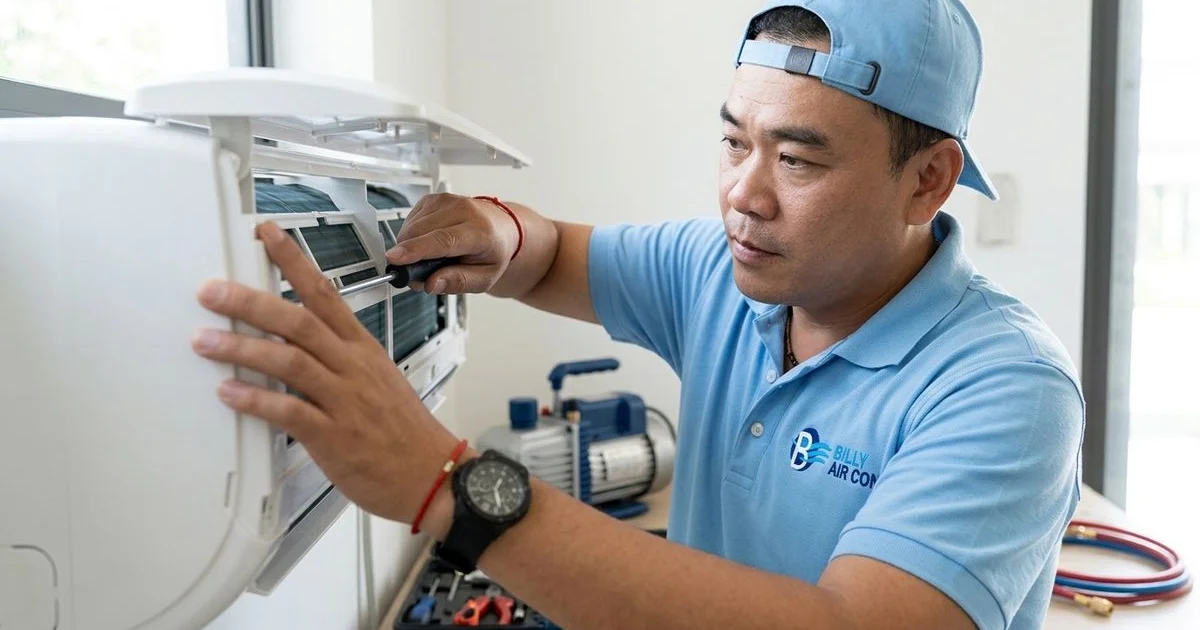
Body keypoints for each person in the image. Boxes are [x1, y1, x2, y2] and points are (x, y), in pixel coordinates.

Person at [189, 1, 1085, 628]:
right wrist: (499, 233)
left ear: (927, 180)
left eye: (798, 161)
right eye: (733, 141)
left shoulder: (1005, 388)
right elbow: (550, 254)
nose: (743, 196)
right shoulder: (719, 272)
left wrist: (445, 486)